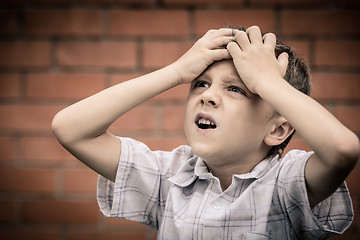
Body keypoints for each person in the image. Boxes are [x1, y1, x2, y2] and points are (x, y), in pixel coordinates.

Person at [52, 25, 360, 239]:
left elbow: (342, 150)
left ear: (278, 130)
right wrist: (176, 72)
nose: (208, 95)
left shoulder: (286, 185)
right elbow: (70, 128)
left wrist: (266, 81)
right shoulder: (169, 177)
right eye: (201, 83)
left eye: (238, 88)